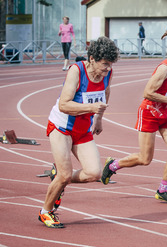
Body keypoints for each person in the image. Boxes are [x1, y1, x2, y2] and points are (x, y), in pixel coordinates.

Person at [101, 33, 167, 205]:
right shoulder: (164, 68)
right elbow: (147, 93)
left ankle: (163, 190)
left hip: (166, 114)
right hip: (150, 113)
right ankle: (113, 165)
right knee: (145, 159)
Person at [39, 37, 119, 228]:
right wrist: (92, 109)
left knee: (94, 173)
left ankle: (58, 177)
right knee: (64, 175)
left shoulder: (108, 73)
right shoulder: (77, 71)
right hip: (62, 127)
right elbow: (64, 104)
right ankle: (46, 211)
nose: (107, 68)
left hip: (83, 129)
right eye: (104, 64)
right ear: (92, 59)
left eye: (110, 64)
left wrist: (99, 118)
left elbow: (106, 93)